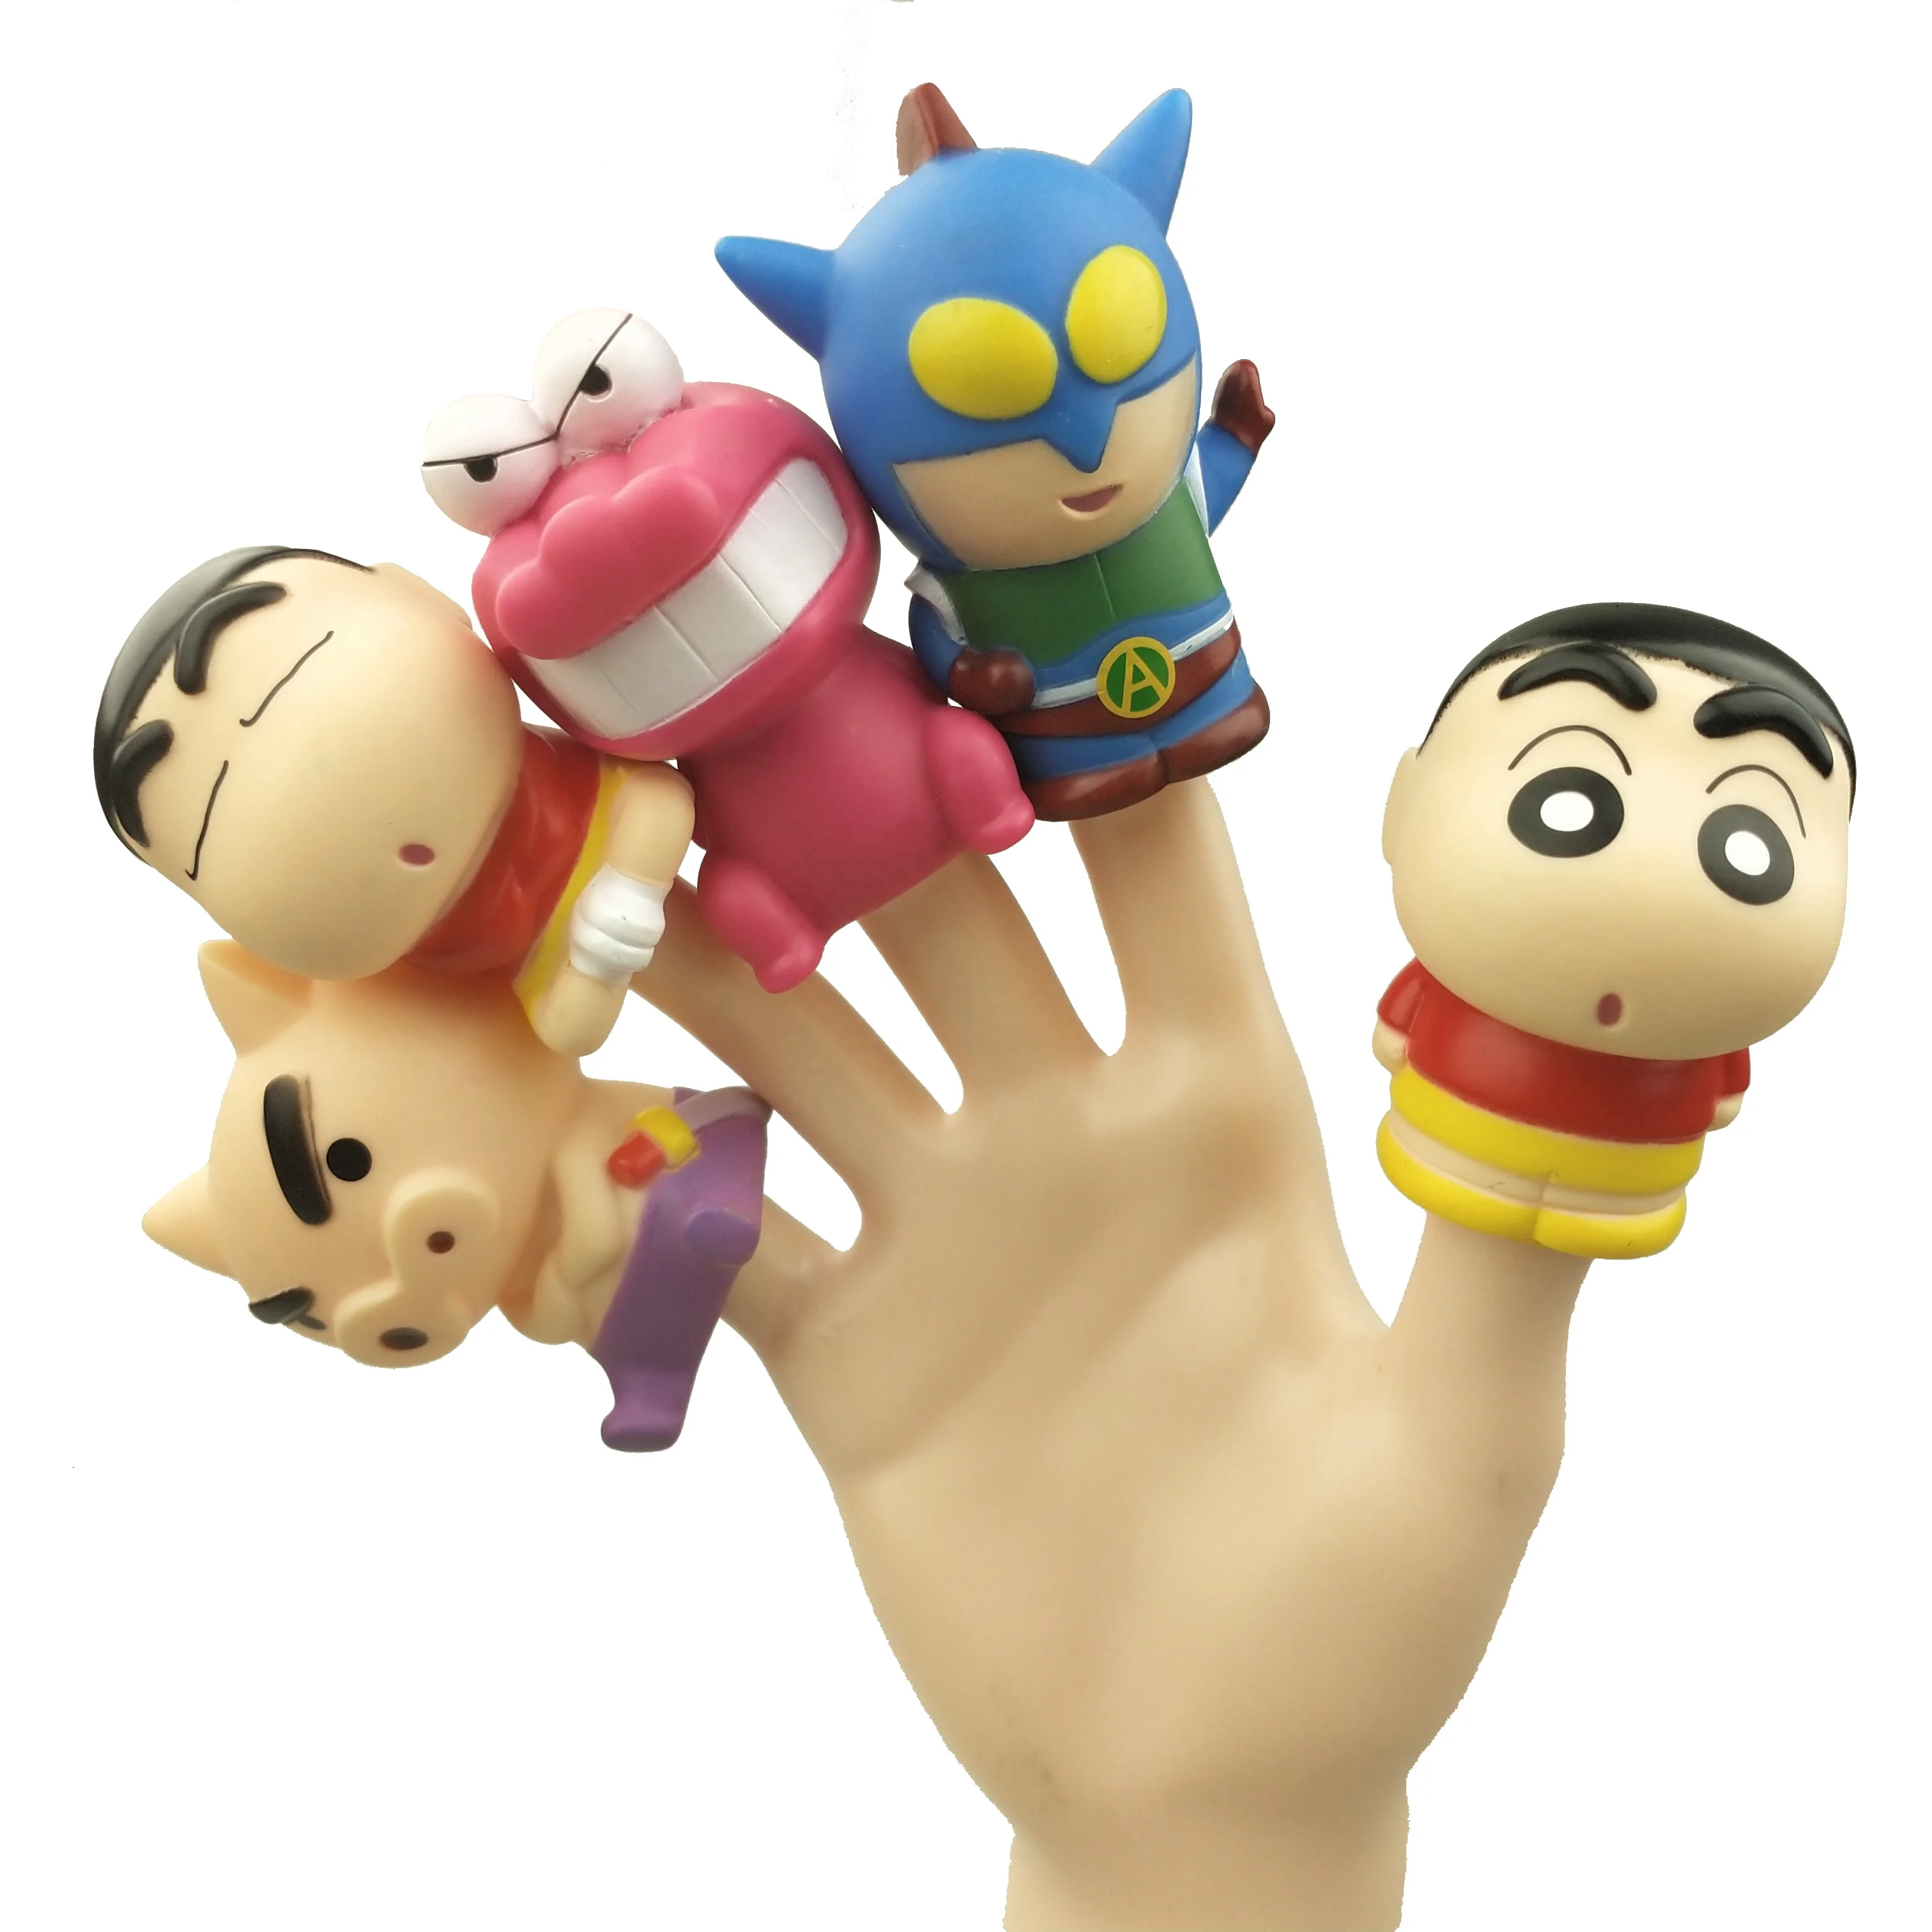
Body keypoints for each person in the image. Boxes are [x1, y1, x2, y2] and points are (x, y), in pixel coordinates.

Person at [1376, 602, 1854, 1257]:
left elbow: (1392, 1033)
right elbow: (1724, 1101)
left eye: (1749, 843)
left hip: (1625, 1188)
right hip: (1447, 1142)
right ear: (1402, 806)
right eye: (1564, 796)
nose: (1650, 873)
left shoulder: (1702, 1038)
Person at [93, 546, 693, 1055]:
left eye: (300, 673)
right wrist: (595, 969)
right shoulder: (428, 975)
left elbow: (658, 797)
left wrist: (632, 885)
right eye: (210, 822)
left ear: (419, 593)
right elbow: (567, 1028)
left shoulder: (557, 782)